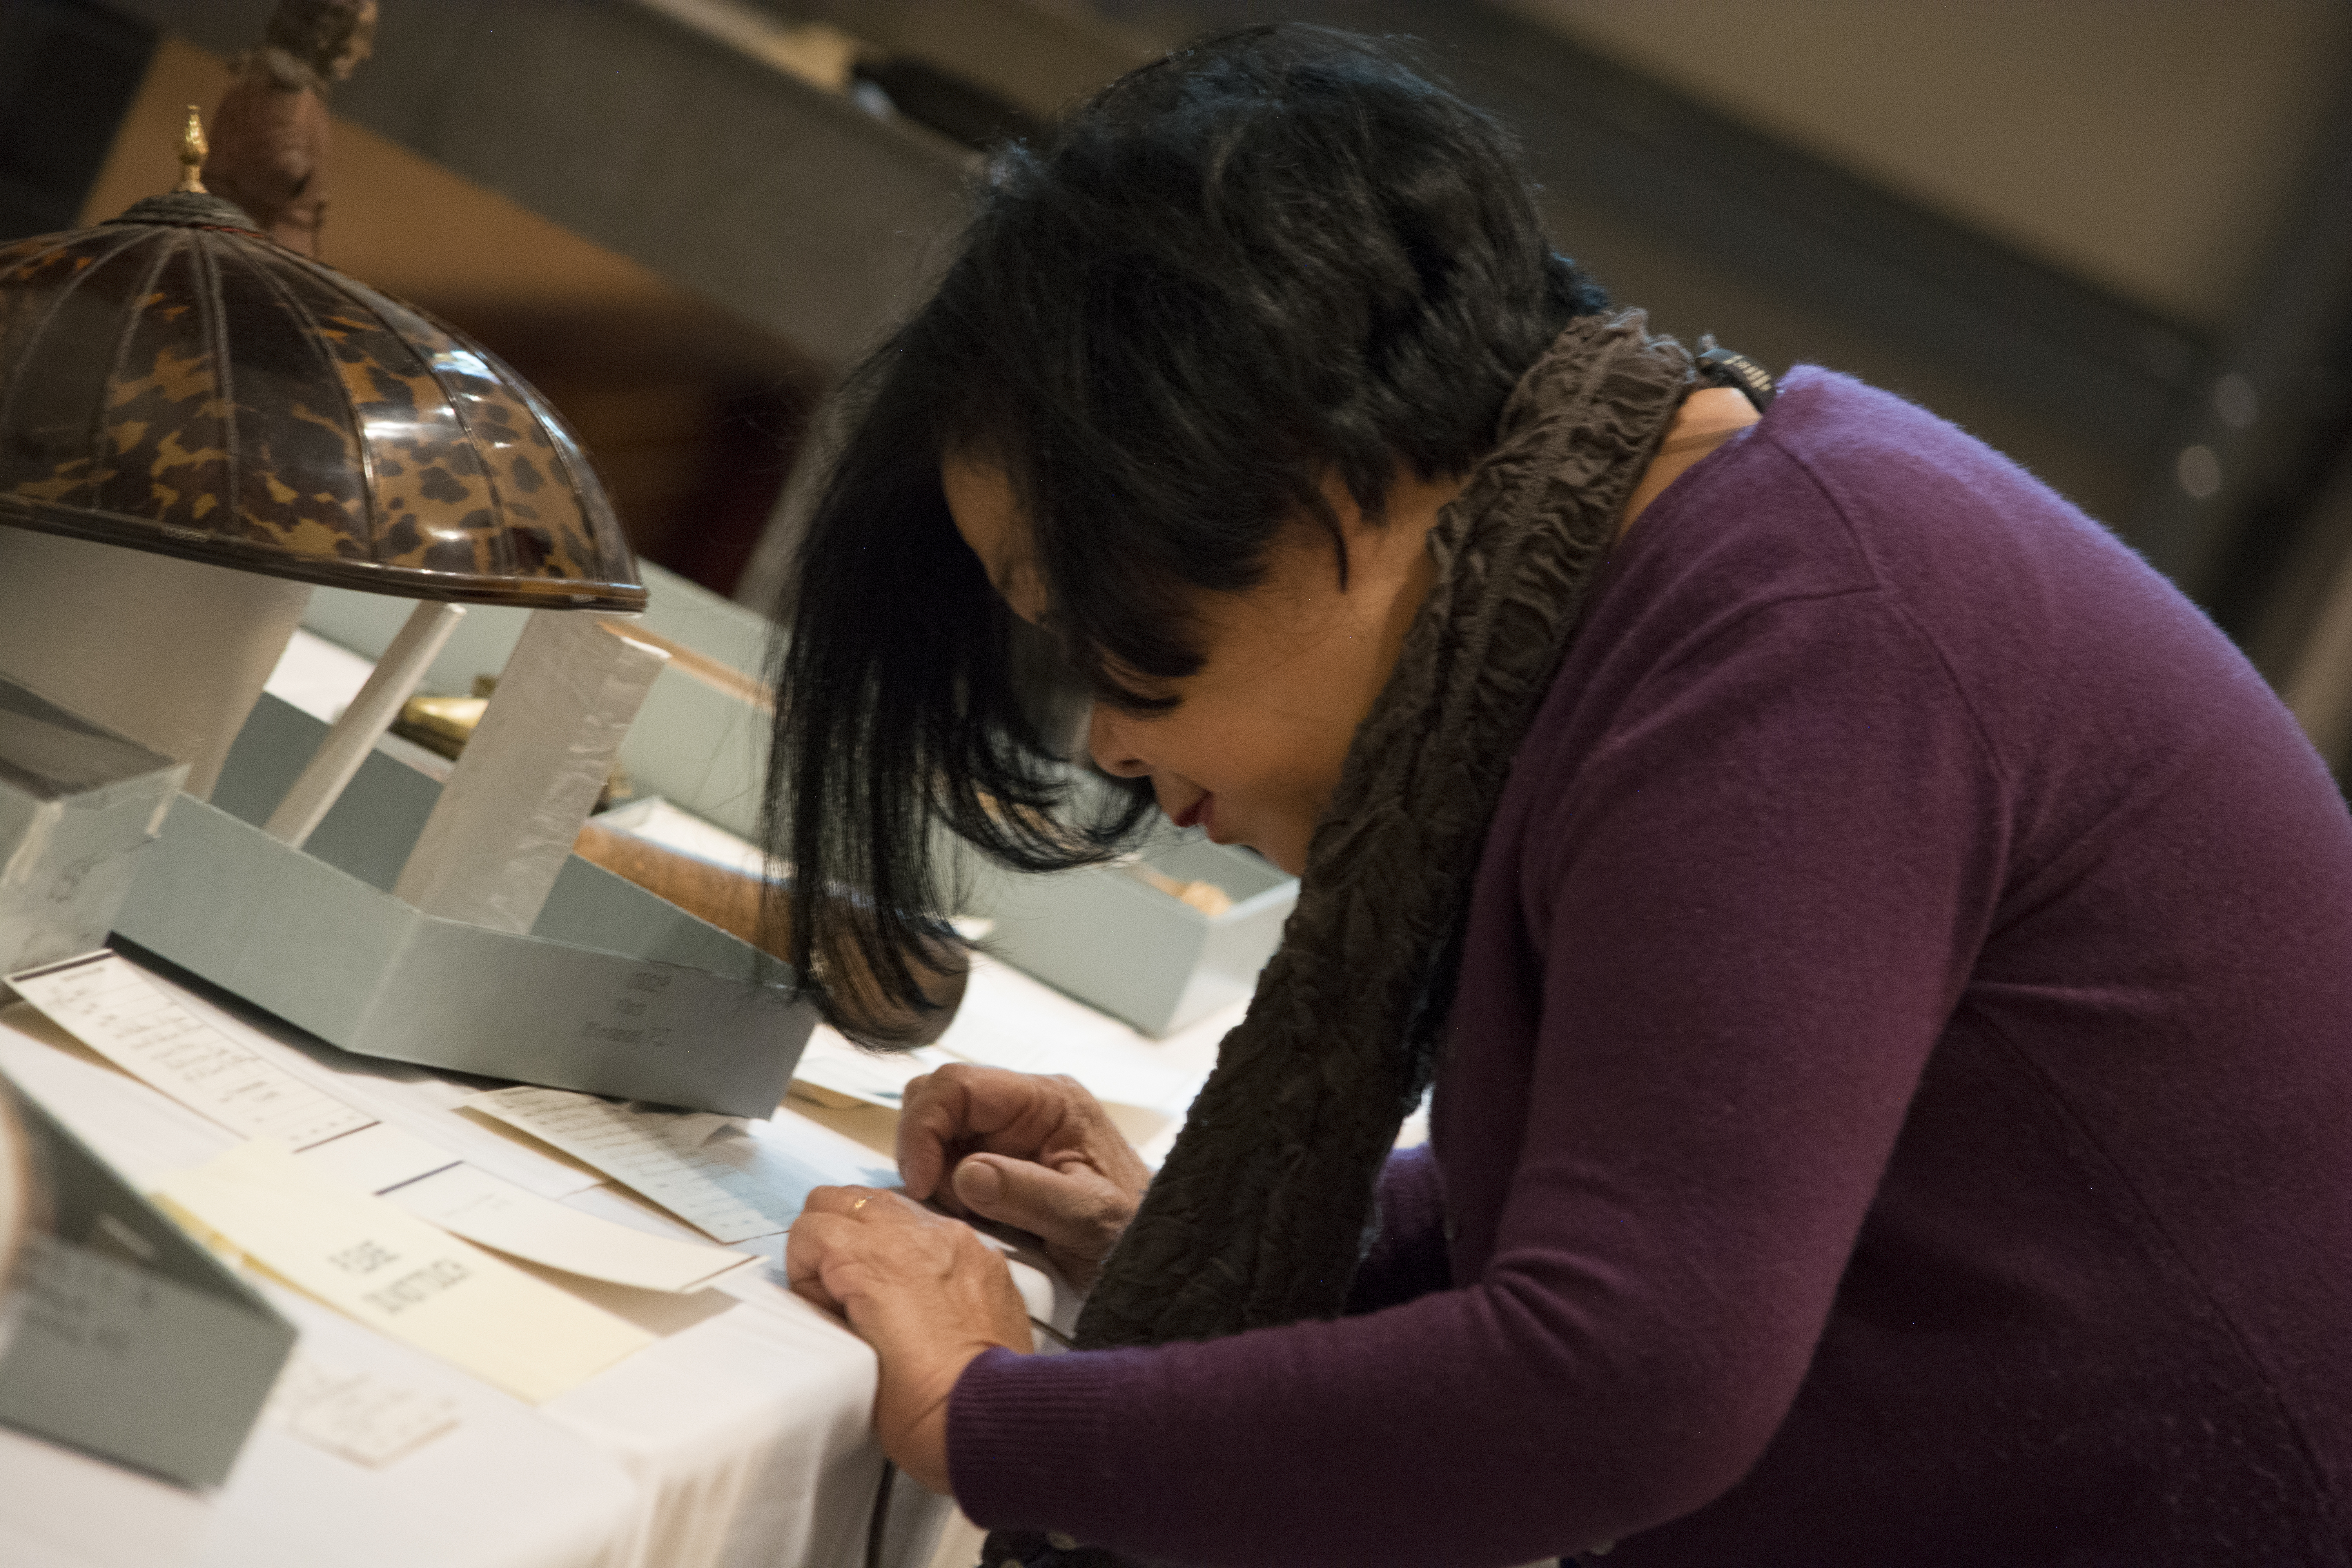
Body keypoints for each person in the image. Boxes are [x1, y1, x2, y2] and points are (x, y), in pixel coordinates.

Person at [771, 25, 2352, 1568]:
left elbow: (1625, 1380)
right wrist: (1224, 1238)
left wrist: (991, 1412)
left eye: (1118, 638)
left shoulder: (1800, 628)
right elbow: (1683, 1195)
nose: (1110, 739)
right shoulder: (1727, 561)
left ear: (1324, 477)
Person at [203, 0, 379, 257]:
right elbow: (274, 172)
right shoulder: (284, 87)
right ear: (325, 34)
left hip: (259, 250)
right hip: (250, 253)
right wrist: (306, 187)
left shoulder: (299, 92)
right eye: (362, 35)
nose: (366, 51)